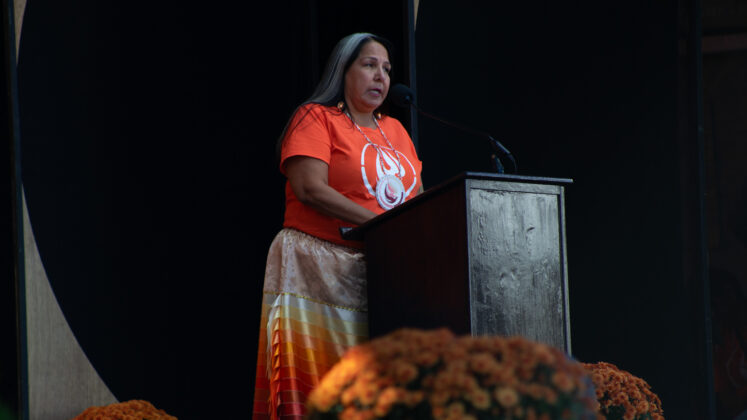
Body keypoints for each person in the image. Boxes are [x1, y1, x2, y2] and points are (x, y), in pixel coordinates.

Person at [252, 33, 423, 420]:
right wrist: (388, 223)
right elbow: (310, 188)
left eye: (387, 69)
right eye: (369, 65)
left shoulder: (396, 131)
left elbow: (420, 204)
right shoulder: (316, 117)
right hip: (316, 272)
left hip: (383, 279)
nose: (381, 76)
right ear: (342, 70)